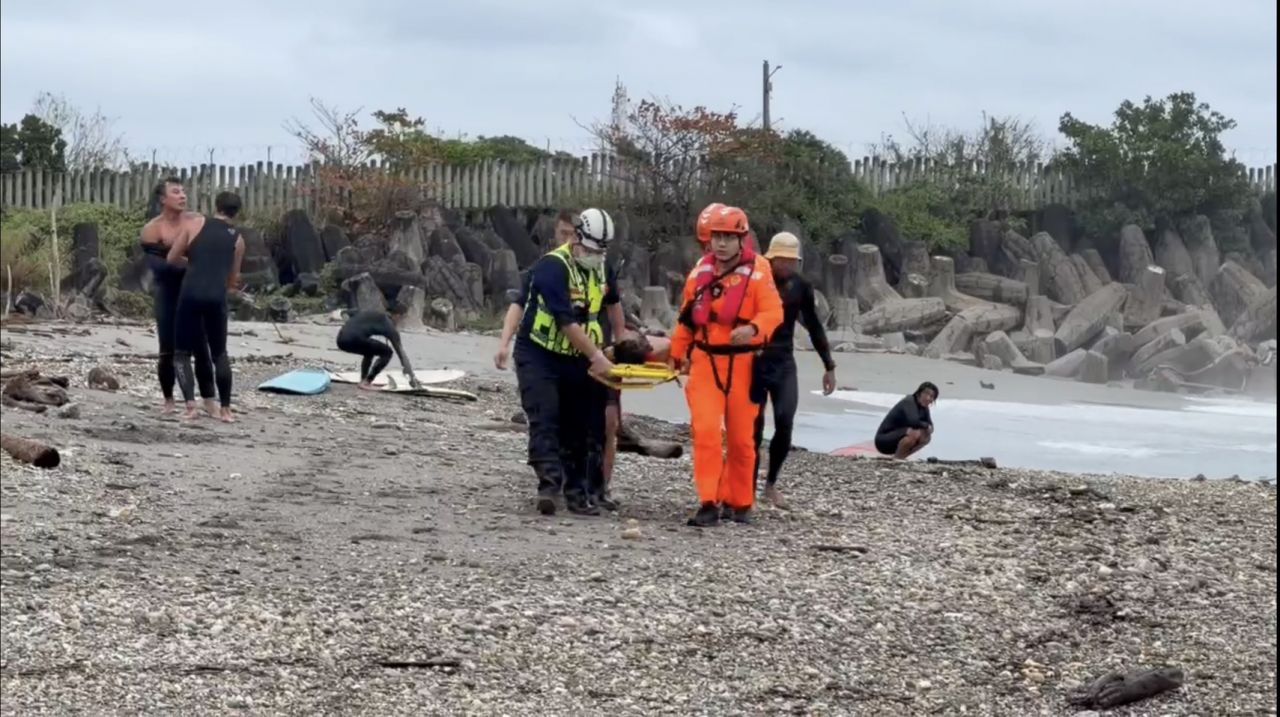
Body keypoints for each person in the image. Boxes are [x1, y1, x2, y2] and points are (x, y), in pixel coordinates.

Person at [669, 205, 783, 527]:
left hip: (744, 363)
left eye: (728, 238)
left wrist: (752, 329)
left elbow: (773, 313)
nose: (721, 244)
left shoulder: (760, 272)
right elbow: (686, 319)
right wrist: (677, 354)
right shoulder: (698, 273)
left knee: (741, 439)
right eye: (717, 237)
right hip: (705, 361)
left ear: (741, 239)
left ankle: (740, 501)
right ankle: (708, 501)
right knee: (705, 432)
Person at [514, 208, 620, 517]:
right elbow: (566, 322)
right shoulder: (551, 268)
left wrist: (618, 346)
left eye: (599, 251)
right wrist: (598, 357)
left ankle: (578, 492)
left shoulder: (602, 267)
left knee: (583, 425)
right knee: (544, 416)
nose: (593, 256)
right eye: (588, 249)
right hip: (539, 353)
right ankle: (548, 485)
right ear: (575, 237)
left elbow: (614, 305)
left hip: (578, 357)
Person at [751, 232, 838, 508]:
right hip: (754, 360)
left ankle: (771, 484)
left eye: (792, 261)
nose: (788, 266)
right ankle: (746, 485)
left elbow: (813, 326)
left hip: (783, 362)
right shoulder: (754, 282)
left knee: (785, 421)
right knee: (753, 428)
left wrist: (829, 366)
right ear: (771, 258)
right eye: (783, 260)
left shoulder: (801, 286)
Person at [165, 192, 246, 422]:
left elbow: (172, 258)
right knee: (219, 354)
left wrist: (192, 263)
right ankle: (226, 409)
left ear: (216, 206)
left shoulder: (194, 224)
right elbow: (233, 279)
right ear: (237, 212)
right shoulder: (238, 239)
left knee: (181, 353)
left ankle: (190, 406)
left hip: (190, 294)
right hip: (216, 297)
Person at [139, 177, 212, 413]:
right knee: (167, 348)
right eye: (176, 192)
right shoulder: (153, 228)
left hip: (194, 291)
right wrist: (188, 261)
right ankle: (169, 399)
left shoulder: (197, 221)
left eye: (183, 191)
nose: (182, 196)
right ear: (163, 199)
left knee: (201, 347)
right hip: (168, 291)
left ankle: (209, 399)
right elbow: (159, 266)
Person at [336, 302, 423, 390]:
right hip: (355, 339)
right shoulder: (389, 326)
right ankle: (367, 381)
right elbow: (401, 354)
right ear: (397, 316)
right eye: (402, 318)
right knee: (387, 352)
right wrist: (411, 376)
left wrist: (349, 326)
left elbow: (343, 313)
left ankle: (363, 380)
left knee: (370, 349)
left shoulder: (367, 311)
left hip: (341, 339)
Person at [875, 382, 938, 459]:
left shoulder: (924, 407)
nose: (928, 398)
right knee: (914, 432)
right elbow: (913, 422)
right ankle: (898, 458)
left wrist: (928, 428)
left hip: (898, 439)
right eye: (926, 394)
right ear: (919, 393)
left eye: (932, 396)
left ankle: (900, 457)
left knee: (926, 437)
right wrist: (926, 426)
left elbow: (930, 425)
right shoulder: (909, 401)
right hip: (883, 440)